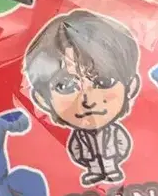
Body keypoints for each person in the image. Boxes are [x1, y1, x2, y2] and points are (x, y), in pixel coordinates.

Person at [24, 11, 140, 186]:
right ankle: (95, 172)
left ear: (131, 87)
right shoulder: (75, 141)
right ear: (42, 100)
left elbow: (122, 145)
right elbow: (76, 150)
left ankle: (109, 170)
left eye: (103, 82)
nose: (88, 100)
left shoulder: (115, 134)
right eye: (65, 86)